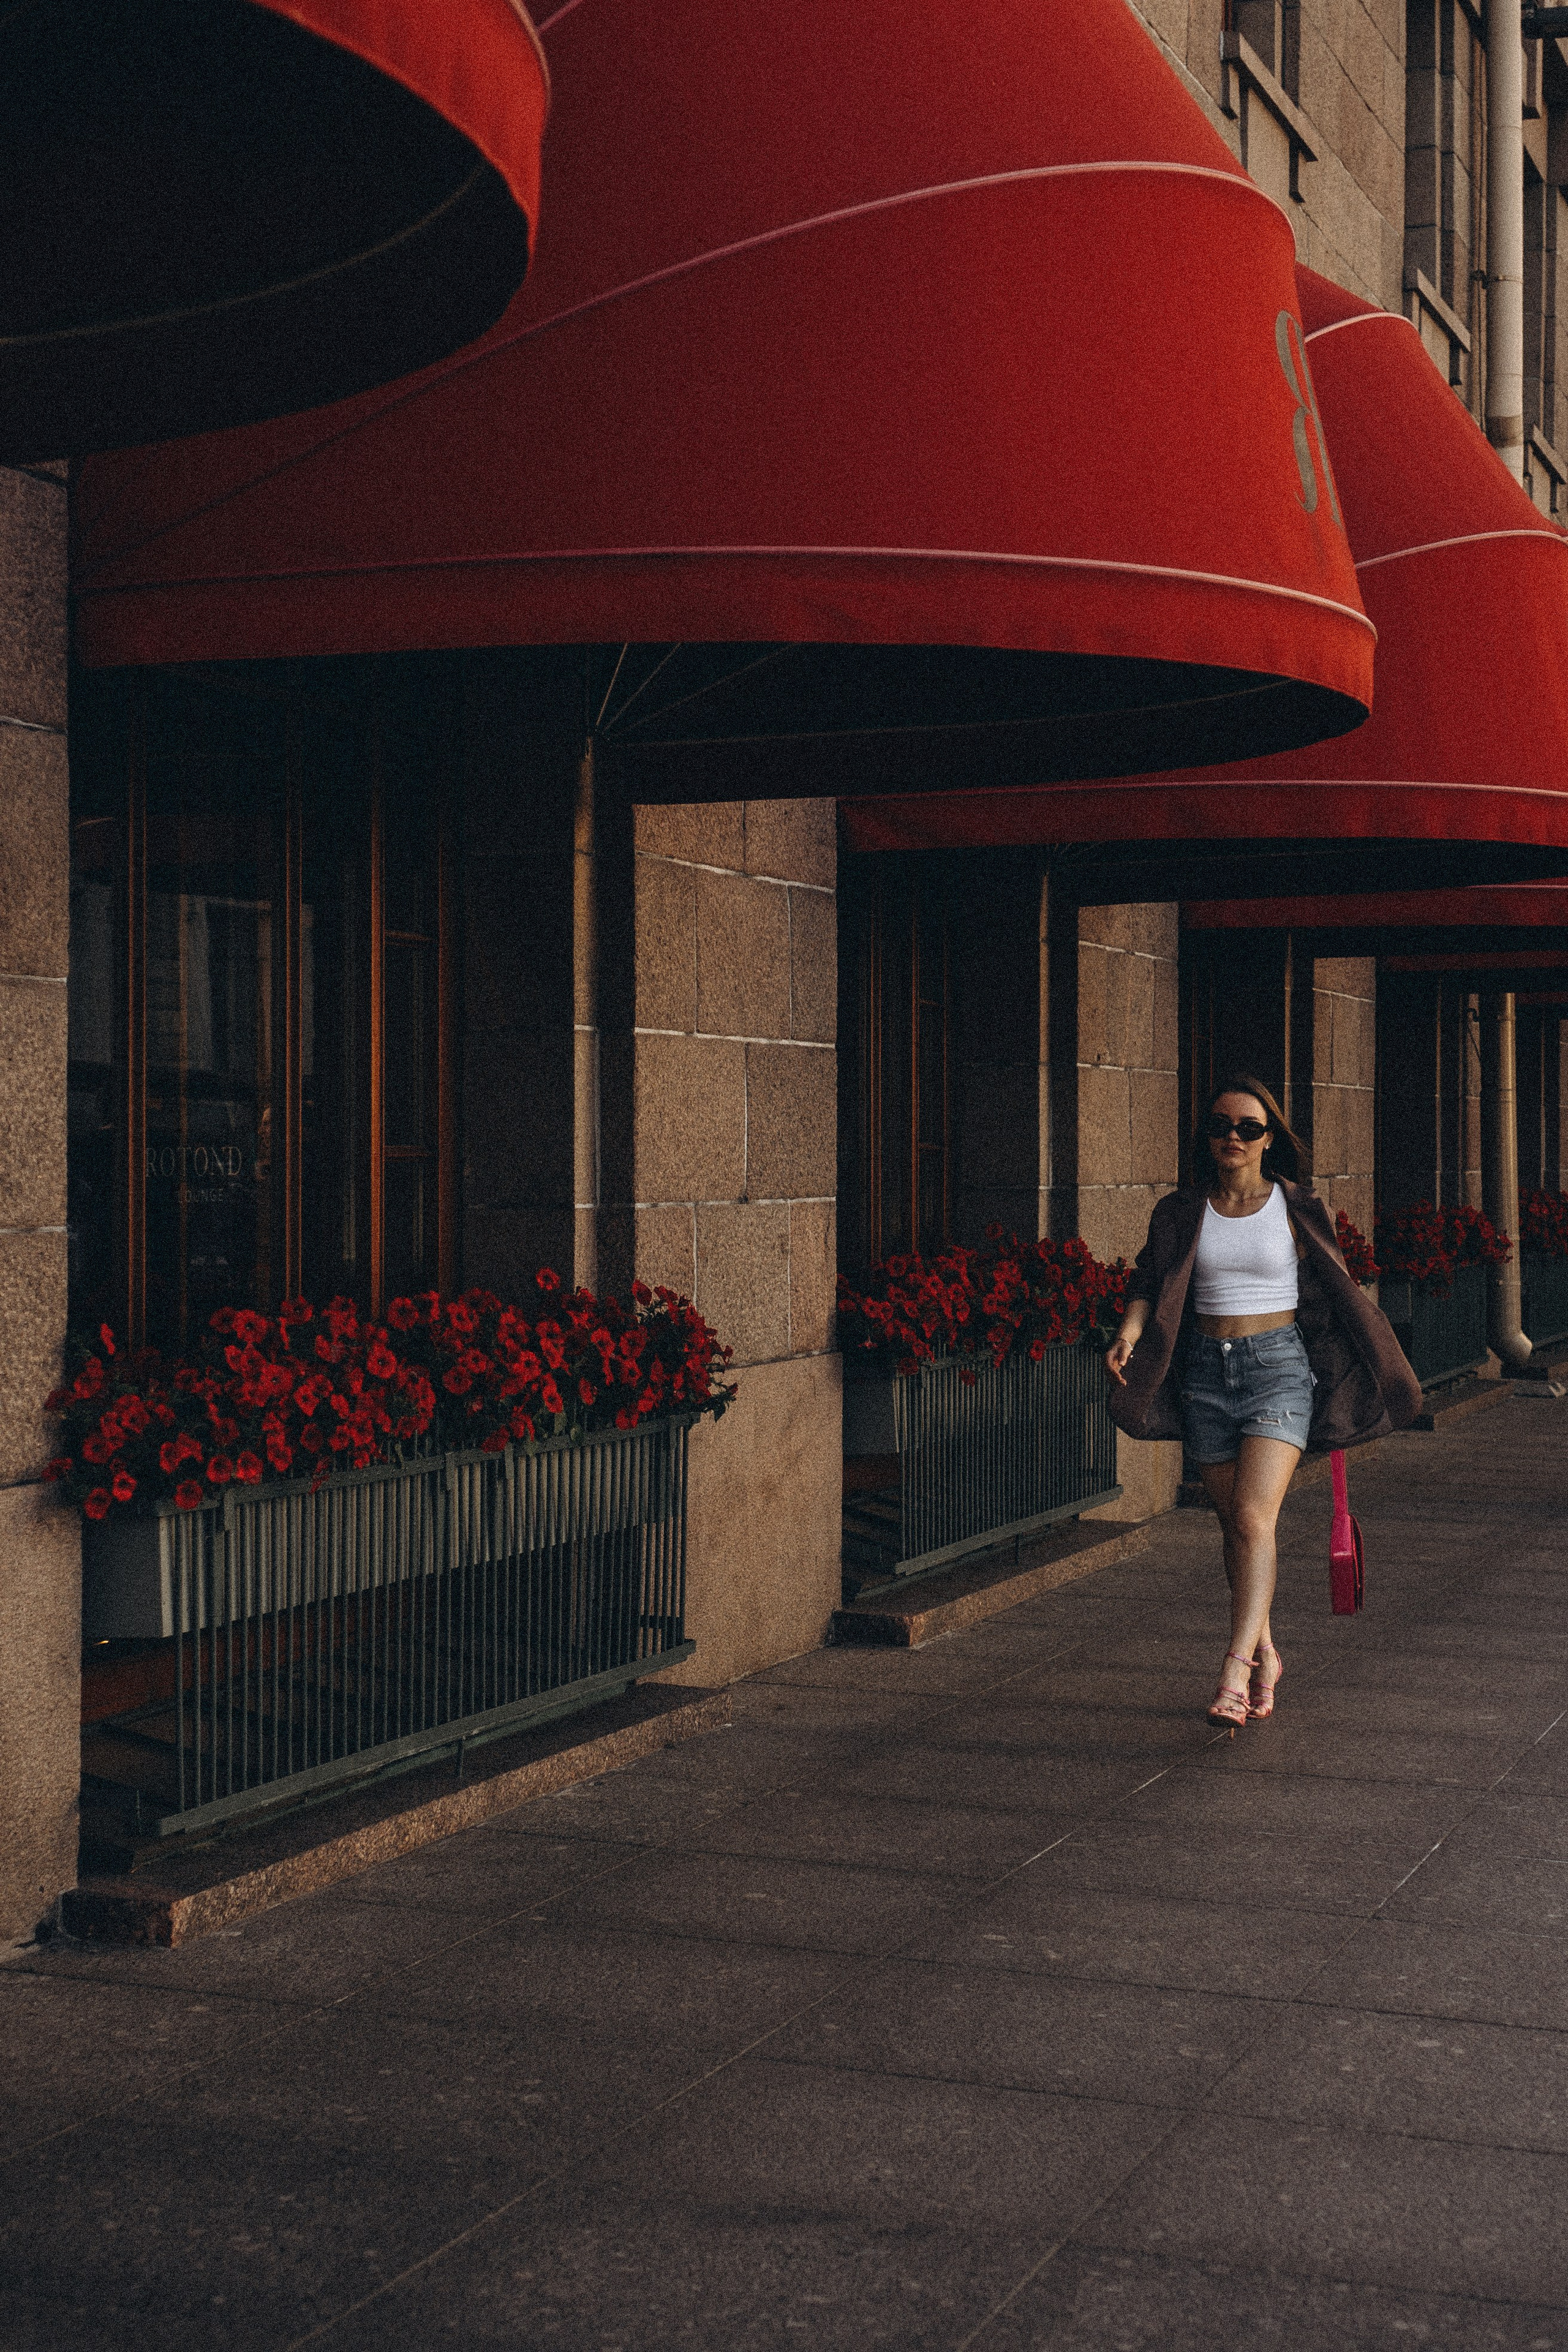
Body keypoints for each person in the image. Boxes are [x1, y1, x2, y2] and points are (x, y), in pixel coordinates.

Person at [1104, 1074, 1420, 1732]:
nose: (1233, 1138)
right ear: (1207, 1136)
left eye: (1248, 1128)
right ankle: (1267, 1653)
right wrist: (1130, 1331)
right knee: (1236, 1529)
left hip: (1278, 1369)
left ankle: (1232, 1668)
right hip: (1203, 1377)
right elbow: (1148, 1280)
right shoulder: (1179, 1211)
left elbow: (1335, 1286)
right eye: (1221, 1125)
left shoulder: (1297, 1206)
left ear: (1270, 1138)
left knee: (1251, 1518)